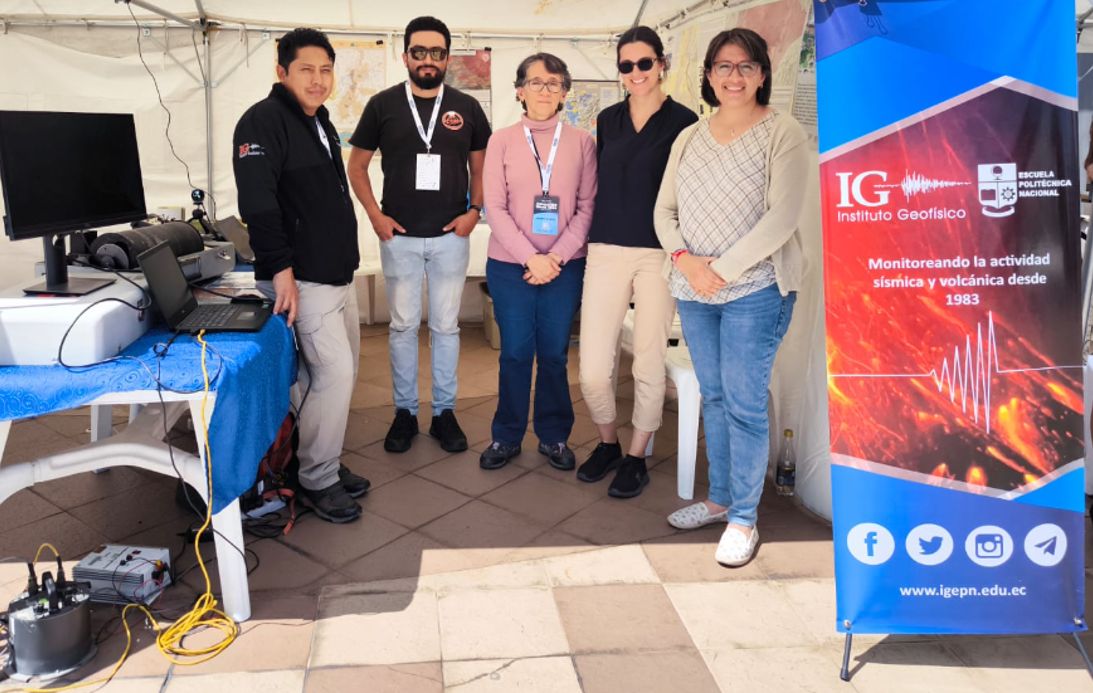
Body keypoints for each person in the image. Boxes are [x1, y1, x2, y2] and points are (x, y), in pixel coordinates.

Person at [654, 28, 808, 566]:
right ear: (709, 75)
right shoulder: (689, 137)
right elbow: (663, 212)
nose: (734, 76)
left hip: (756, 290)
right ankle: (720, 500)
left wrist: (718, 269)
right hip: (693, 287)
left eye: (745, 66)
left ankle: (745, 518)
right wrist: (686, 262)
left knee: (744, 405)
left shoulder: (782, 132)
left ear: (763, 73)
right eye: (723, 66)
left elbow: (782, 219)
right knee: (714, 397)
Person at [233, 28, 370, 524]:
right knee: (331, 376)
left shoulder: (321, 121)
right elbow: (259, 204)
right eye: (307, 69)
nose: (317, 80)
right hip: (302, 279)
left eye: (325, 70)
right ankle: (316, 479)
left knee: (330, 375)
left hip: (336, 275)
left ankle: (319, 460)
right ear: (282, 72)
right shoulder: (262, 122)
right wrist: (282, 271)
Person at [347, 16, 491, 454]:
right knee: (403, 327)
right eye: (419, 51)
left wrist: (474, 211)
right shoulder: (382, 105)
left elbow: (479, 167)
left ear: (447, 57)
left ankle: (444, 413)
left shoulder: (466, 106)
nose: (428, 60)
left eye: (437, 52)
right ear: (405, 55)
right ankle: (405, 413)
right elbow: (356, 166)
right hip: (400, 238)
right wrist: (375, 216)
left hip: (452, 235)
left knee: (447, 328)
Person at [576, 26, 698, 499]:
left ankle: (636, 454)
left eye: (644, 63)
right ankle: (608, 442)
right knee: (591, 366)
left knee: (648, 361)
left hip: (657, 254)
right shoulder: (607, 120)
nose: (635, 73)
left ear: (661, 63)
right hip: (605, 248)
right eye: (625, 66)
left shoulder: (686, 121)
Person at [478, 53, 597, 470]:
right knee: (514, 352)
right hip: (510, 265)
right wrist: (532, 257)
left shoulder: (583, 142)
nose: (544, 90)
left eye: (553, 83)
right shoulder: (501, 141)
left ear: (564, 92)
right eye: (536, 82)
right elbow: (494, 207)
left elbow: (586, 208)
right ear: (520, 90)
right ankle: (506, 436)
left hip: (564, 267)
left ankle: (553, 437)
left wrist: (555, 258)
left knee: (554, 354)